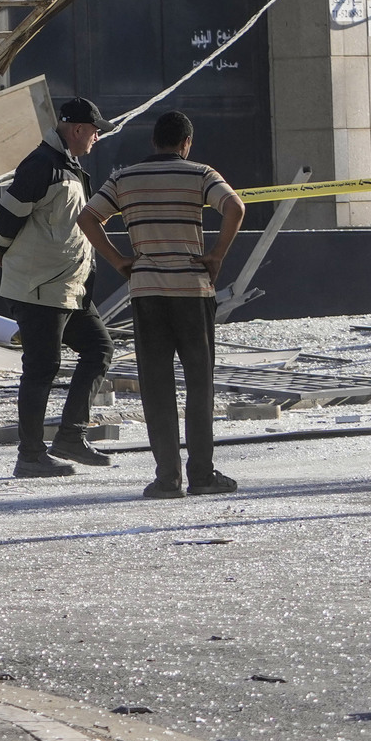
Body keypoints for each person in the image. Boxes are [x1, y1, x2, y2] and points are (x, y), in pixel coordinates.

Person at [81, 110, 247, 500]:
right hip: (193, 292)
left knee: (156, 387)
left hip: (147, 294)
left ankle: (167, 478)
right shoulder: (201, 173)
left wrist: (119, 259)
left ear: (154, 141)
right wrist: (217, 254)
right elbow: (236, 208)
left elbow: (88, 218)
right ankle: (202, 474)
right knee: (199, 385)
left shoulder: (123, 178)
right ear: (186, 143)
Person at [0, 96, 116, 479]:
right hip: (39, 287)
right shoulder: (42, 164)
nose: (97, 138)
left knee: (99, 349)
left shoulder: (68, 166)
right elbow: (9, 214)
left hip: (68, 286)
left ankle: (70, 437)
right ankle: (29, 455)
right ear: (78, 129)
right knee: (42, 368)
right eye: (95, 131)